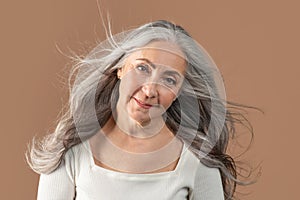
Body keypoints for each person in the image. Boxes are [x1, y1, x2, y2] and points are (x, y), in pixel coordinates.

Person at [26, 20, 257, 200]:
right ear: (119, 68)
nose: (149, 90)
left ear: (179, 91)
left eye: (169, 79)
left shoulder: (196, 161)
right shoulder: (71, 151)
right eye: (143, 68)